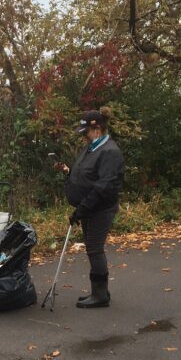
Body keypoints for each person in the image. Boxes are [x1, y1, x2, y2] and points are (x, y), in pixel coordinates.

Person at [59, 108, 124, 308]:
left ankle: (100, 295)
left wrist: (83, 208)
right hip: (88, 207)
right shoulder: (93, 148)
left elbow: (104, 186)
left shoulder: (110, 152)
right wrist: (69, 174)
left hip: (100, 209)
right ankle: (99, 291)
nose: (84, 135)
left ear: (96, 130)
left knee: (95, 249)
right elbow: (86, 174)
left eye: (86, 131)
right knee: (92, 248)